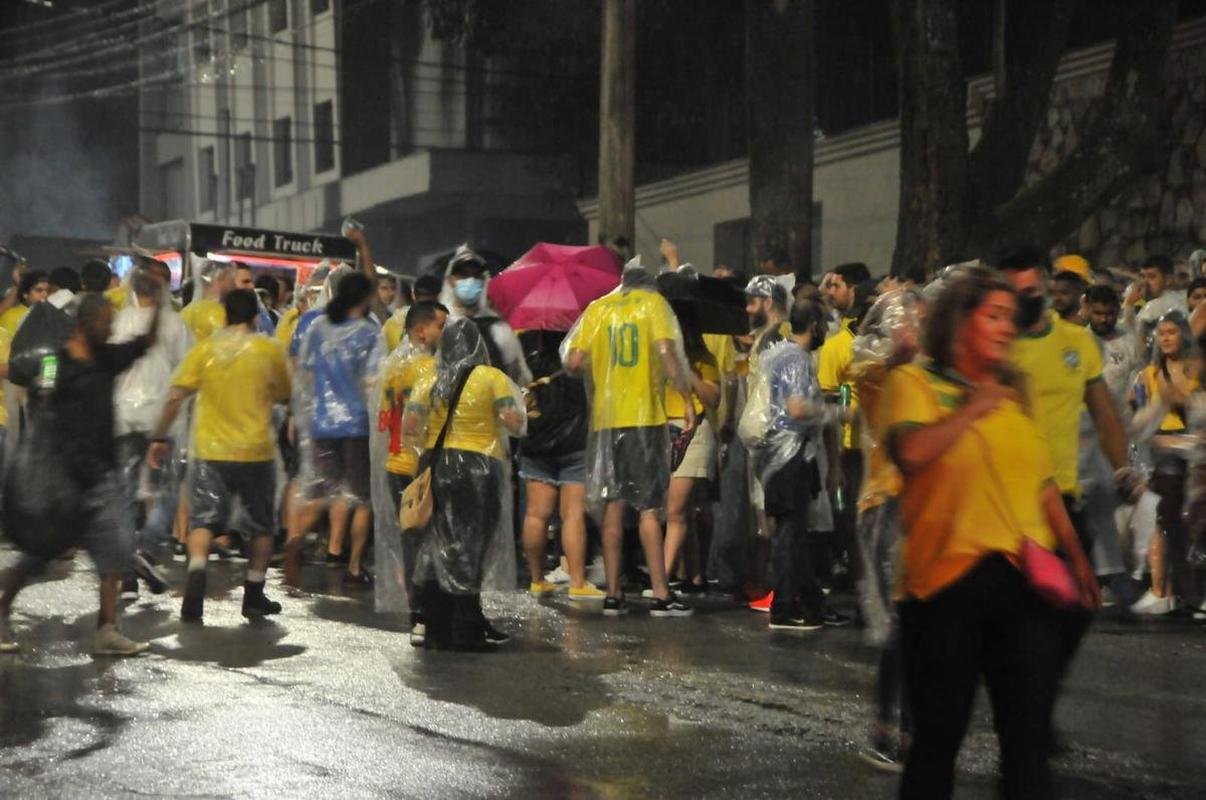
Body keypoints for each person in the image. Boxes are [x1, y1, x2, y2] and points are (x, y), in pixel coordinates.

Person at [883, 266, 1099, 800]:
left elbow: (1043, 486)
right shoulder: (914, 382)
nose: (1007, 328)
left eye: (1012, 318)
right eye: (994, 316)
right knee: (938, 741)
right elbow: (911, 453)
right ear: (960, 321)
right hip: (943, 587)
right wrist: (971, 410)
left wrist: (1078, 560)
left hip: (1024, 582)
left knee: (1026, 745)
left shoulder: (1012, 396)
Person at [1, 291, 164, 656]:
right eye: (104, 323)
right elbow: (36, 404)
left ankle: (106, 630)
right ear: (83, 324)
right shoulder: (55, 363)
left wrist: (161, 297)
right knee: (37, 554)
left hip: (100, 479)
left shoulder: (106, 359)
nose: (109, 330)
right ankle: (1, 605)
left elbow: (147, 342)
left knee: (116, 552)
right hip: (62, 483)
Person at [147, 289, 292, 624]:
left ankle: (197, 572)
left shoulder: (205, 349)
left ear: (225, 314)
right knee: (261, 525)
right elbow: (285, 392)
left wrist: (158, 437)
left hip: (210, 450)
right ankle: (254, 596)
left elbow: (174, 395)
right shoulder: (269, 350)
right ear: (256, 316)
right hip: (257, 452)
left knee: (203, 520)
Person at [563, 263, 696, 617]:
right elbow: (668, 353)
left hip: (605, 421)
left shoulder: (597, 309)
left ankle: (614, 592)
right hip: (643, 419)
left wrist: (603, 371)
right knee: (649, 507)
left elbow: (574, 361)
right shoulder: (653, 306)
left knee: (611, 507)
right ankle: (660, 593)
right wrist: (685, 398)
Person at [403, 319, 526, 650]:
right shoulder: (491, 378)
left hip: (437, 465)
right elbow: (514, 423)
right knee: (470, 547)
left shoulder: (429, 379)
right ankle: (467, 630)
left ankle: (434, 626)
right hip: (478, 469)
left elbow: (411, 424)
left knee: (437, 545)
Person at [850, 288, 924, 769]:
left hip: (930, 505)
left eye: (918, 321)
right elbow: (855, 373)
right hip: (886, 502)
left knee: (930, 620)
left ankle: (917, 727)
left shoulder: (934, 371)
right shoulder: (877, 371)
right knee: (905, 623)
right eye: (905, 321)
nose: (912, 329)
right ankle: (888, 726)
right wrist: (895, 357)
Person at [753, 300, 847, 631]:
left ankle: (811, 602)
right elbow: (795, 408)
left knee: (795, 533)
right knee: (789, 532)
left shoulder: (776, 354)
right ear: (814, 325)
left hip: (778, 455)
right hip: (789, 455)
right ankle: (783, 607)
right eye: (823, 324)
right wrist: (836, 413)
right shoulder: (796, 359)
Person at [287, 273, 384, 586]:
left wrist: (299, 416)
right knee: (360, 498)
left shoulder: (318, 327)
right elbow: (374, 382)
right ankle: (354, 567)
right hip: (357, 426)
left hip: (321, 423)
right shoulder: (371, 333)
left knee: (320, 491)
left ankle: (295, 539)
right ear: (364, 298)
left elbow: (303, 375)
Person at [112, 267, 191, 599]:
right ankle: (145, 547)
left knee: (126, 493)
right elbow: (186, 373)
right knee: (167, 489)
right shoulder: (175, 324)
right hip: (161, 420)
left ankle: (127, 577)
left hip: (123, 417)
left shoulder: (118, 323)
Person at [373, 300, 448, 643]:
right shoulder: (429, 368)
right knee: (431, 539)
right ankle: (427, 613)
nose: (444, 334)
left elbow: (385, 416)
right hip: (421, 465)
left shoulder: (391, 365)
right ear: (422, 330)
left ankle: (418, 612)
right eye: (440, 327)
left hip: (395, 463)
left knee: (411, 539)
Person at [519, 329, 604, 600]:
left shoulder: (527, 363)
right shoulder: (581, 365)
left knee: (536, 514)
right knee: (573, 515)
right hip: (574, 445)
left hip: (536, 446)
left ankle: (536, 579)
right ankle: (577, 582)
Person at [1128, 311, 1200, 615]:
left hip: (1196, 449)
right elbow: (1137, 412)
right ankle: (1164, 590)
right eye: (1162, 333)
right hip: (1162, 451)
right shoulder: (1149, 373)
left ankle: (1189, 591)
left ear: (1184, 333)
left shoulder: (1197, 368)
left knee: (1195, 521)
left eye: (1172, 331)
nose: (1167, 338)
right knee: (1164, 519)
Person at [659, 313, 720, 594]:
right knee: (685, 511)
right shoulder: (660, 356)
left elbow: (714, 398)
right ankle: (694, 576)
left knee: (675, 510)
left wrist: (691, 373)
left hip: (693, 431)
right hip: (664, 431)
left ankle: (661, 578)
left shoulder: (704, 359)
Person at [442, 246, 532, 385]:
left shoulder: (498, 329)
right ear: (450, 280)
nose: (470, 280)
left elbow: (517, 377)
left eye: (476, 276)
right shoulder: (440, 323)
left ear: (483, 281)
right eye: (464, 275)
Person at [1126, 254, 1187, 349]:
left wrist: (1129, 304)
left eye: (1151, 277)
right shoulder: (1181, 298)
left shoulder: (1153, 306)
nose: (1145, 283)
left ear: (1168, 280)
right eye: (1142, 277)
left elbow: (1132, 340)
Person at [181, 261, 233, 343]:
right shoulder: (217, 313)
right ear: (219, 278)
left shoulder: (186, 311)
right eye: (230, 279)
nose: (232, 284)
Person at [0, 269, 49, 333]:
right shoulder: (13, 317)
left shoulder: (46, 318)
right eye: (39, 290)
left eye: (48, 291)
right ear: (25, 294)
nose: (45, 295)